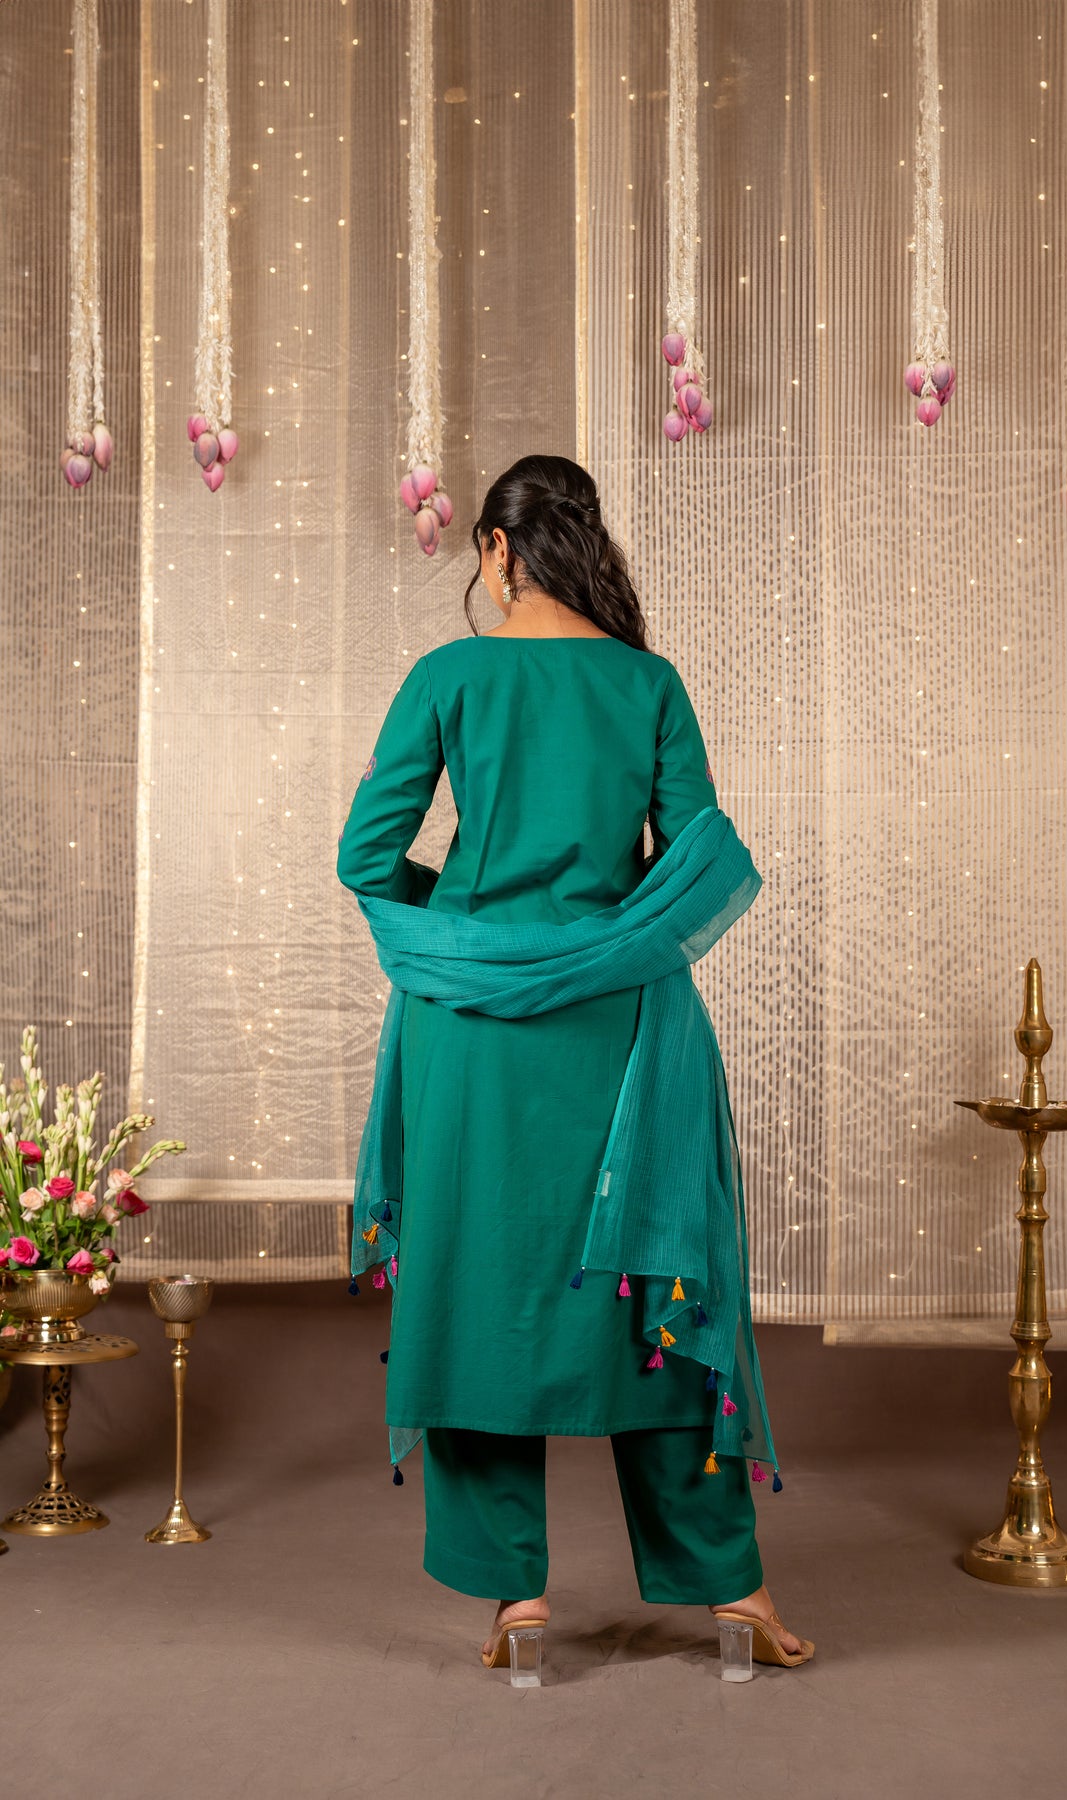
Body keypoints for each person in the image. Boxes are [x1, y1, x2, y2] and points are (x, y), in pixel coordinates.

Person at [336, 453, 811, 1675]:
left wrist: (469, 933)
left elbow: (366, 858)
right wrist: (597, 939)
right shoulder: (648, 683)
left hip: (470, 1038)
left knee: (478, 1297)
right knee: (653, 1288)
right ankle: (734, 1588)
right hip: (621, 1031)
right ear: (580, 543)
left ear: (497, 549)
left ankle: (518, 1603)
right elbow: (693, 866)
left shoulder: (447, 678)